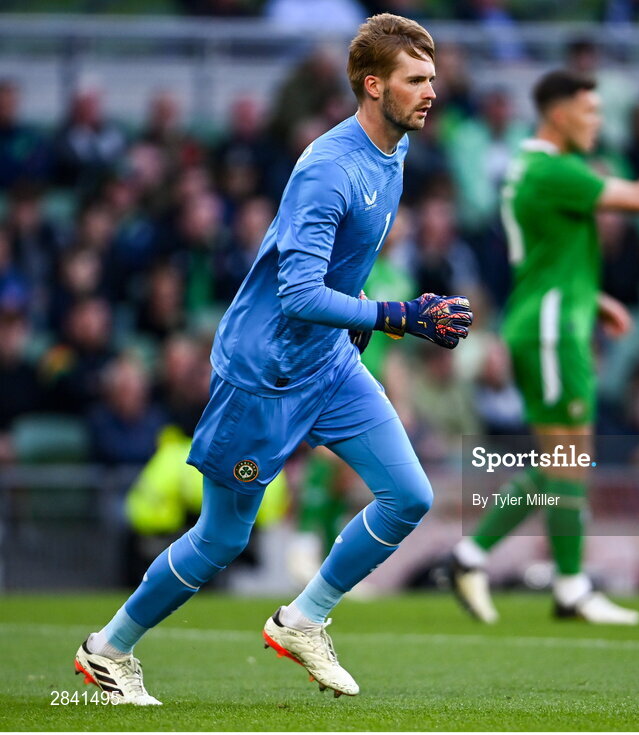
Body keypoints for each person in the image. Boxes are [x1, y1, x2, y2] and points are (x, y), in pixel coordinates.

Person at [73, 14, 473, 705]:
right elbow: (296, 293)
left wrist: (362, 315)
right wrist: (397, 315)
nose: (431, 91)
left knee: (410, 495)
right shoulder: (328, 169)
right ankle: (108, 648)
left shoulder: (396, 151)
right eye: (416, 80)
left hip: (327, 361)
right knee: (221, 538)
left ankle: (303, 618)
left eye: (432, 78)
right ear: (373, 86)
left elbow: (338, 273)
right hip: (266, 374)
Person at [450, 70, 639, 625]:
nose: (597, 123)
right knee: (566, 459)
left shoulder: (531, 163)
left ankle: (487, 562)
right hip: (549, 327)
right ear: (558, 112)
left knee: (565, 461)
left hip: (554, 315)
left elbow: (550, 251)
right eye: (589, 112)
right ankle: (560, 583)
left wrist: (592, 298)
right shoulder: (555, 168)